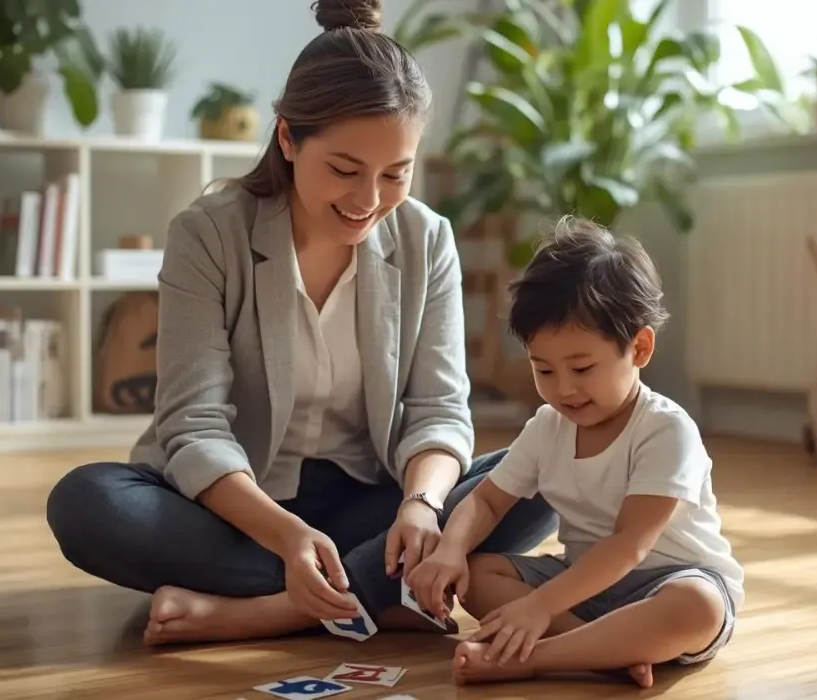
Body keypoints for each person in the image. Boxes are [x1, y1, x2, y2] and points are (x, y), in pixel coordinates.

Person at [45, 0, 557, 646]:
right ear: (288, 138)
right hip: (236, 510)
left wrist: (422, 506)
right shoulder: (208, 234)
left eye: (396, 174)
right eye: (344, 170)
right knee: (86, 504)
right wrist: (287, 537)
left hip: (375, 500)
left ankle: (263, 610)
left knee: (551, 465)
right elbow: (192, 425)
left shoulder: (428, 240)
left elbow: (437, 410)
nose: (368, 201)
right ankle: (377, 587)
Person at [406, 216, 744, 688]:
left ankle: (535, 657)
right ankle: (604, 650)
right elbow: (486, 500)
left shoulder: (667, 430)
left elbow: (630, 546)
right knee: (480, 574)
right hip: (582, 587)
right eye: (543, 370)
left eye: (582, 368)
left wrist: (539, 606)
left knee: (699, 608)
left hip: (670, 581)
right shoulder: (548, 425)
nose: (563, 389)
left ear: (640, 347)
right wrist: (451, 550)